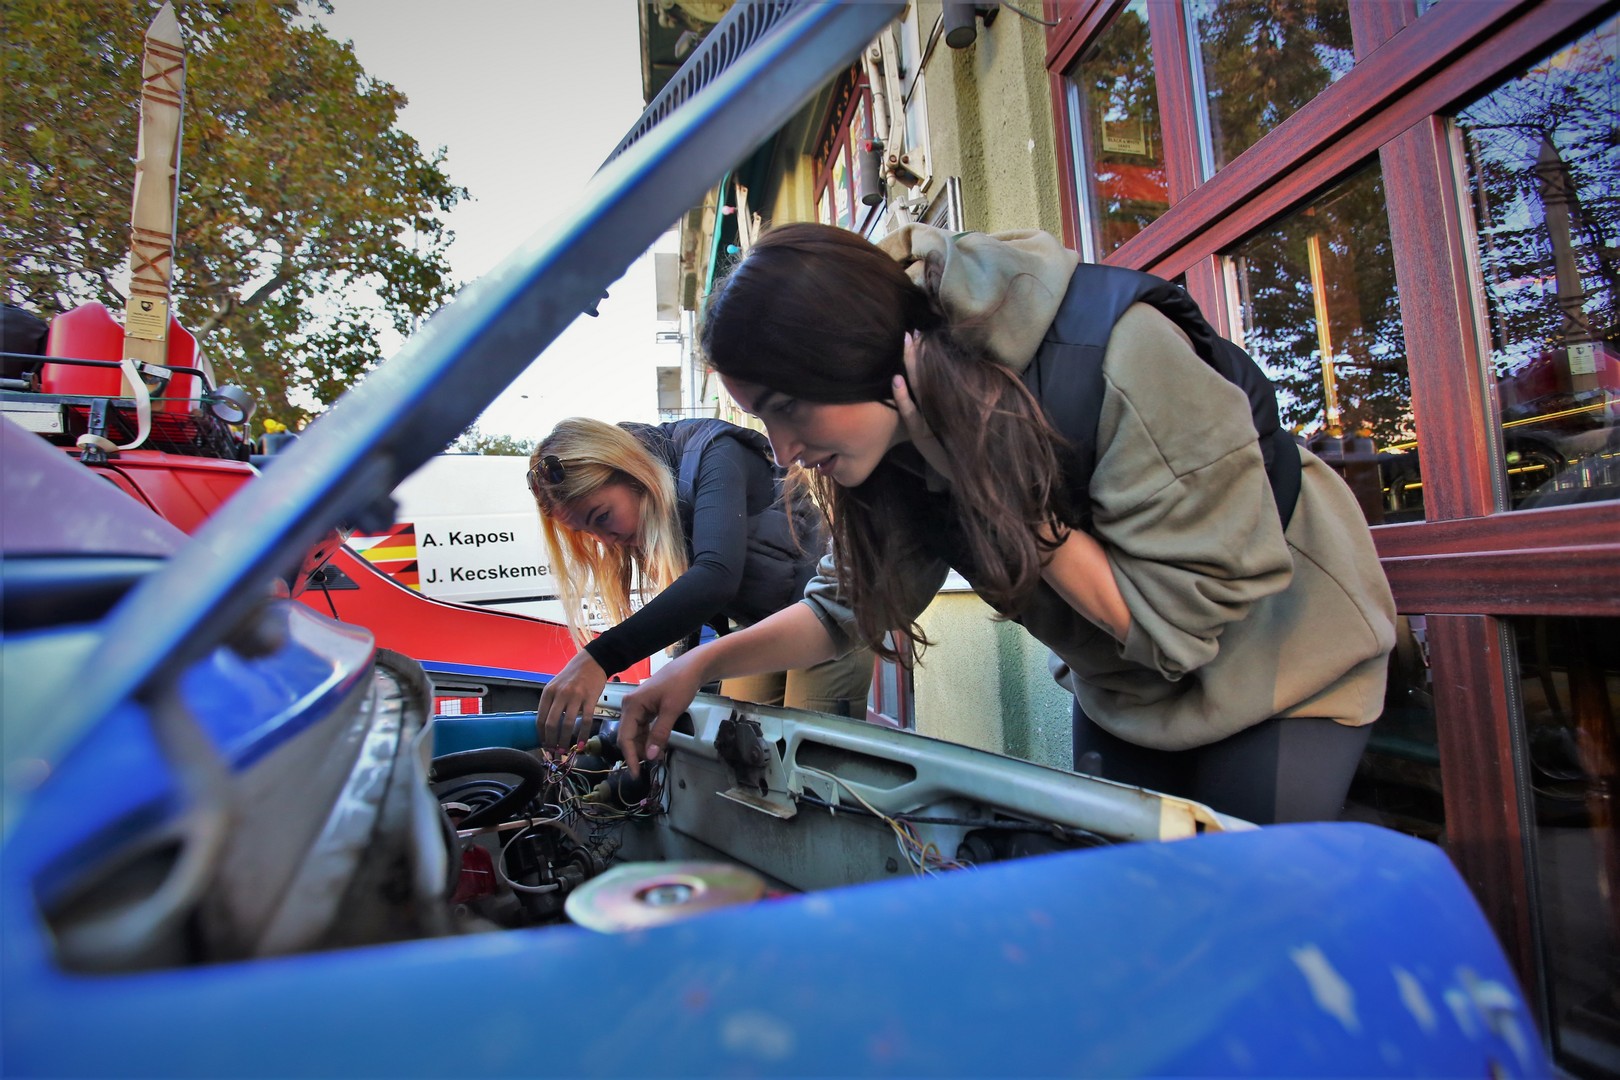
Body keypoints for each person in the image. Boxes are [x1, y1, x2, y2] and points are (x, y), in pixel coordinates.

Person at [616, 222, 1398, 825]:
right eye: (762, 418)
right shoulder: (894, 433)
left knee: (1243, 931)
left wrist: (989, 480)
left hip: (1281, 663)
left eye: (788, 407)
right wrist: (694, 668)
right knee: (1131, 929)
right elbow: (843, 608)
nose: (783, 450)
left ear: (851, 356)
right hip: (1126, 689)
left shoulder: (1120, 358)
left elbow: (1175, 627)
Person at [528, 416, 872, 745]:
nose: (604, 539)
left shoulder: (716, 452)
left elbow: (715, 576)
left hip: (828, 616)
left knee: (810, 770)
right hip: (760, 626)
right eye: (587, 532)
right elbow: (690, 597)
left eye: (601, 517)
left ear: (631, 473)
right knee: (736, 750)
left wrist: (599, 658)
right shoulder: (655, 500)